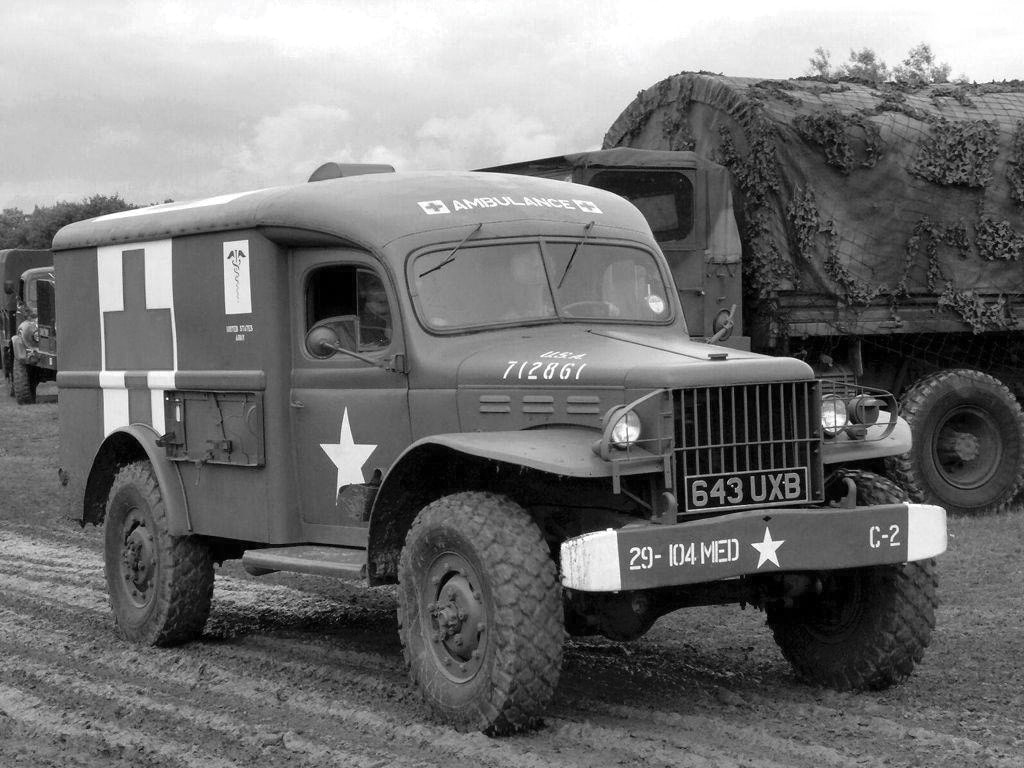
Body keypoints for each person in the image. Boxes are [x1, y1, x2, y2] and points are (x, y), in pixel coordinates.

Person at [358, 277, 392, 348]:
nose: (383, 291)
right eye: (375, 285)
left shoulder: (410, 318)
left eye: (389, 284)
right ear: (363, 290)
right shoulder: (356, 328)